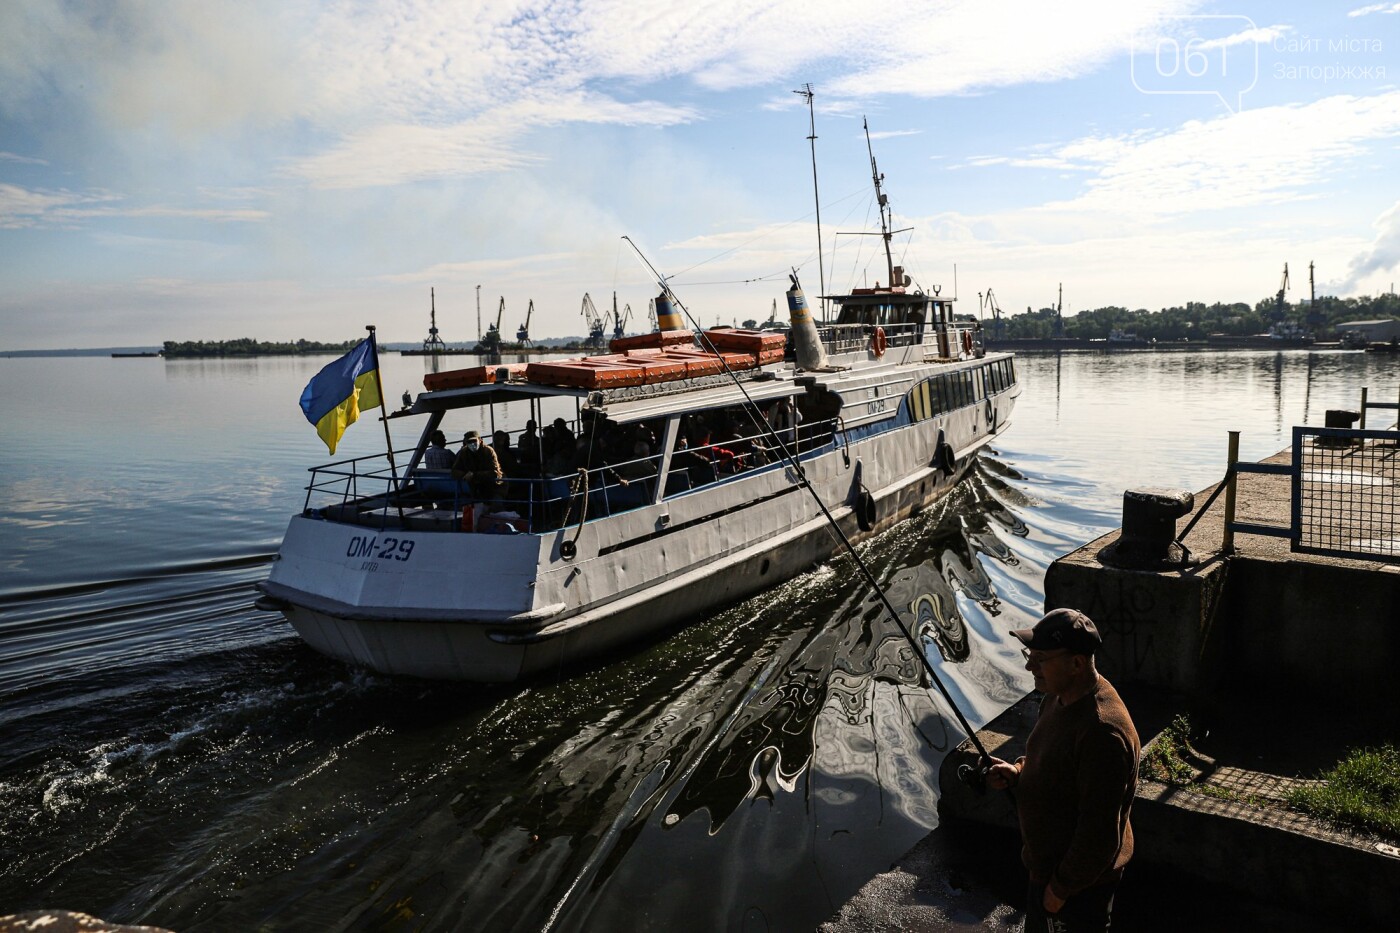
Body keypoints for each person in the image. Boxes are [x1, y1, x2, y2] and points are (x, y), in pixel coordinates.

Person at [985, 608, 1140, 932]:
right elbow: (1054, 762)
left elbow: (1098, 835)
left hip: (1077, 889)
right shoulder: (1058, 698)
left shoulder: (1102, 733)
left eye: (1040, 658)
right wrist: (1019, 772)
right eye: (1030, 654)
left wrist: (1059, 890)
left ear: (1076, 663)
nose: (1029, 666)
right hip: (1048, 870)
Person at [451, 430, 504, 502]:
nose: (472, 444)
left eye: (474, 441)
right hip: (472, 488)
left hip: (492, 487)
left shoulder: (488, 451)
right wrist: (465, 475)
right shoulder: (464, 452)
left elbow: (495, 472)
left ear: (480, 440)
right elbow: (454, 471)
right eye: (469, 442)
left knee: (496, 504)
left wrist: (474, 475)